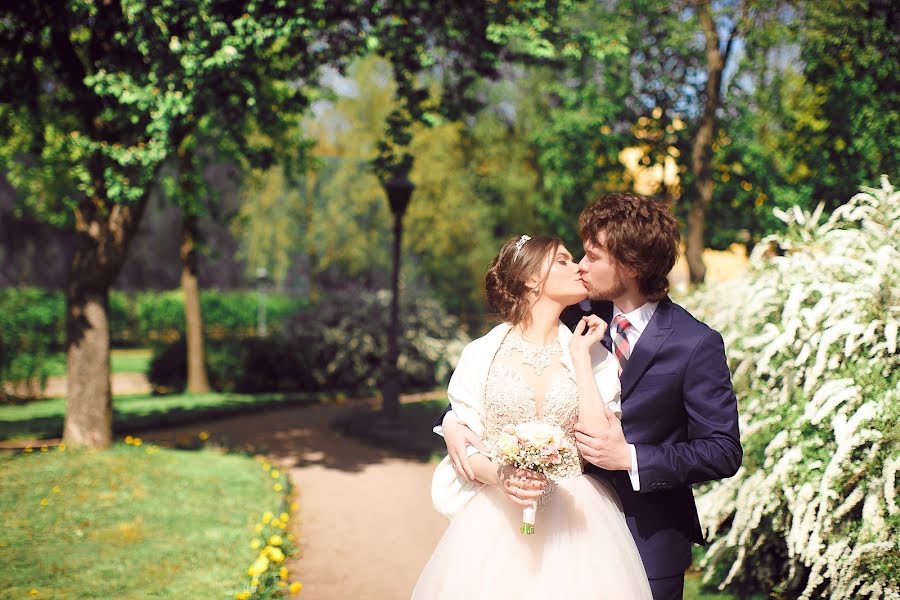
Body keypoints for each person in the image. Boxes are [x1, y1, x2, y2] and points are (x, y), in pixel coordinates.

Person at [439, 192, 743, 600]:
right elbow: (501, 376)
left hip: (648, 541)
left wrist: (632, 458)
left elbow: (723, 450)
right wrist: (454, 423)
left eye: (593, 256)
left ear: (632, 264)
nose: (581, 266)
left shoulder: (695, 344)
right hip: (548, 533)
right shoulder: (569, 313)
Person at [412, 234, 654, 599]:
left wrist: (580, 357)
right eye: (563, 260)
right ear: (529, 278)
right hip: (496, 522)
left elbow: (597, 438)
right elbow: (466, 446)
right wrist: (502, 475)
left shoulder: (593, 354)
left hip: (581, 526)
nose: (579, 268)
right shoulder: (481, 355)